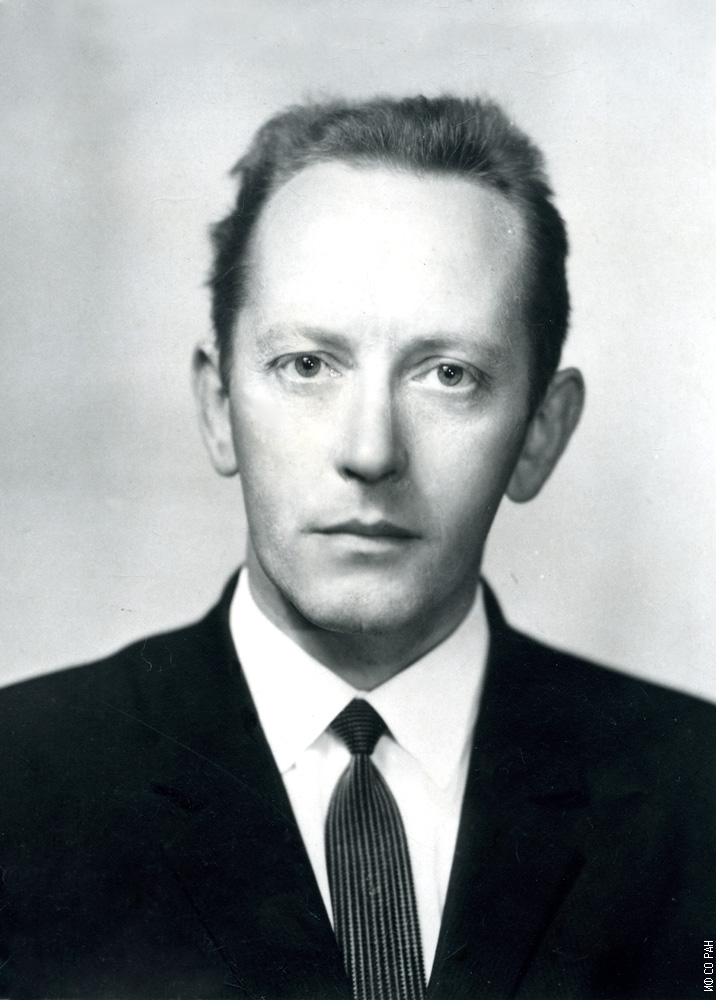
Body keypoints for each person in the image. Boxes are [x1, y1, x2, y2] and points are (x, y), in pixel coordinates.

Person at [0, 95, 713, 1000]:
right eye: (307, 365)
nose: (371, 451)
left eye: (449, 374)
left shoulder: (697, 794)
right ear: (219, 407)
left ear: (542, 430)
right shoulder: (19, 785)